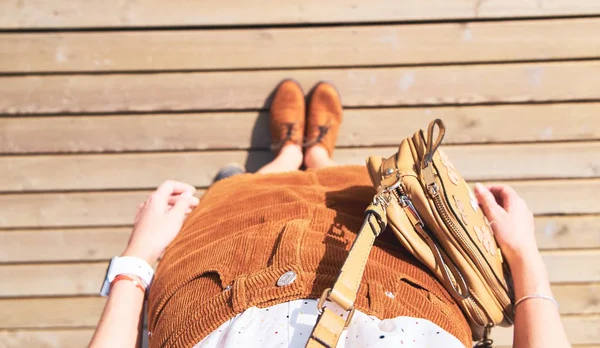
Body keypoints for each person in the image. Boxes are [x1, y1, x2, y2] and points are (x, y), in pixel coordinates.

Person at [90, 80, 571, 348]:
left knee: (243, 192)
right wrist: (525, 257)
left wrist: (138, 259)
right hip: (398, 287)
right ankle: (316, 153)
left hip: (218, 293)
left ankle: (284, 154)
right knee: (355, 187)